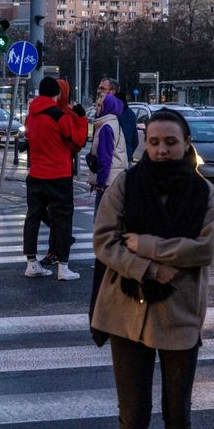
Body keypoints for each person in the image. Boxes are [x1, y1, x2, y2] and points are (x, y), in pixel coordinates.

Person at [91, 108, 214, 429]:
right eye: (154, 142)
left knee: (177, 411)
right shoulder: (127, 184)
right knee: (133, 412)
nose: (162, 149)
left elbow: (203, 249)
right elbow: (104, 241)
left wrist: (146, 245)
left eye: (170, 142)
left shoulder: (203, 193)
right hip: (124, 309)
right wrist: (149, 270)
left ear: (186, 144)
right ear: (145, 145)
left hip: (179, 312)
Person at [22, 76, 88, 280]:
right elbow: (78, 139)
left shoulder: (30, 117)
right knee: (63, 219)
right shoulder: (60, 117)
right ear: (57, 94)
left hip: (36, 174)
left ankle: (31, 263)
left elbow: (29, 138)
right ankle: (63, 267)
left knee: (33, 217)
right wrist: (81, 119)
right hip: (59, 175)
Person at [89, 92, 129, 208]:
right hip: (115, 179)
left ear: (107, 108)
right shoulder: (114, 123)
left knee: (100, 221)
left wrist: (100, 182)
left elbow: (105, 157)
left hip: (108, 182)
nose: (96, 108)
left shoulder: (106, 128)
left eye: (99, 105)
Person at [98, 77, 138, 164]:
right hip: (125, 159)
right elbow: (135, 140)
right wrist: (127, 154)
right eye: (99, 88)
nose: (99, 91)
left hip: (111, 162)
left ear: (112, 91)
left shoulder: (109, 113)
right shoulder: (130, 113)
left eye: (102, 89)